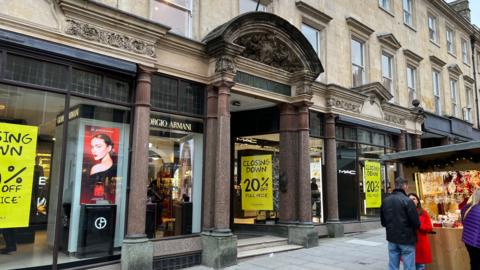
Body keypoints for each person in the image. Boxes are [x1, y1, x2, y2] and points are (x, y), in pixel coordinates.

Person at [381, 176, 420, 270]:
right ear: (405, 186)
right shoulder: (407, 201)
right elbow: (416, 223)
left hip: (392, 238)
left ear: (395, 185)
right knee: (409, 267)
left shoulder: (385, 201)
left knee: (393, 266)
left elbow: (383, 222)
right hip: (406, 239)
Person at [81, 133, 117, 204]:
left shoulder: (96, 168)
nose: (93, 150)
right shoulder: (114, 165)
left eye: (98, 146)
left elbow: (91, 191)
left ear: (109, 148)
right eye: (92, 147)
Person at [408, 193, 433, 270]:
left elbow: (429, 228)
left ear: (417, 201)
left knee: (420, 266)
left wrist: (420, 225)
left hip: (420, 243)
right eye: (409, 199)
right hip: (409, 244)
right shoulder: (404, 213)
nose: (412, 201)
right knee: (410, 266)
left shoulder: (423, 213)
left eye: (414, 199)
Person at [461, 189, 480, 270]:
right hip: (477, 242)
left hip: (468, 240)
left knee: (474, 262)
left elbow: (463, 222)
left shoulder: (466, 207)